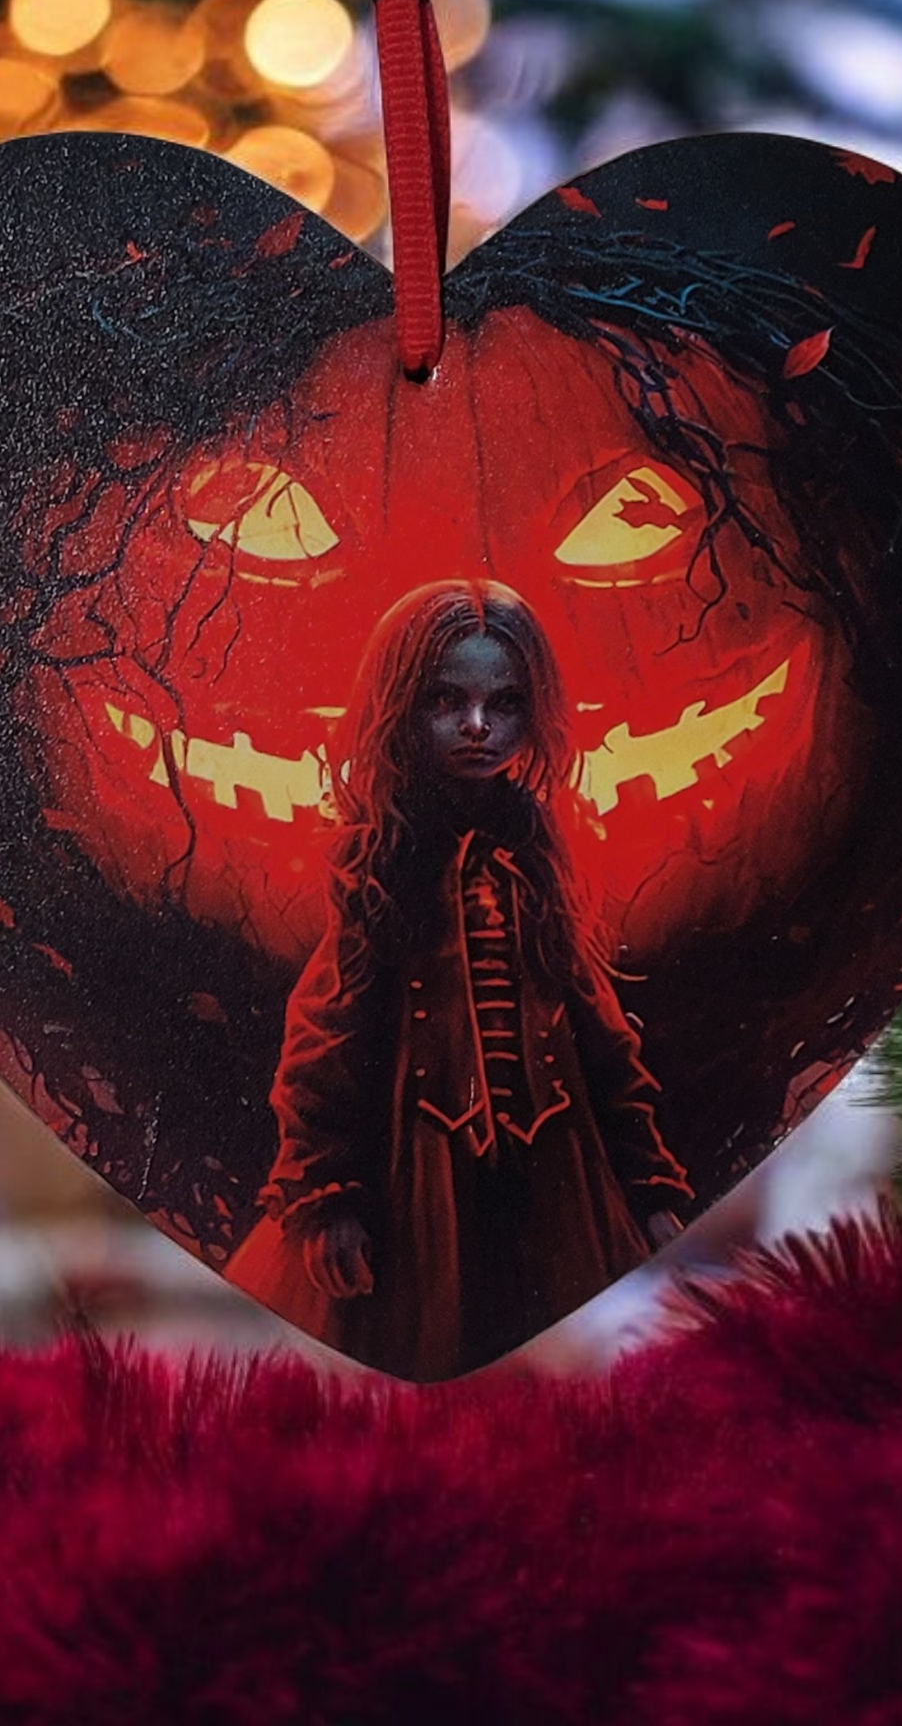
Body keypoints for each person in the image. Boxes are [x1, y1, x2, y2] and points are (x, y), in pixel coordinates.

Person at [223, 578, 692, 1381]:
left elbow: (598, 1028)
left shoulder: (540, 851)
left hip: (561, 1187)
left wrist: (647, 1188)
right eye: (447, 700)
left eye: (503, 704)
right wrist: (327, 1193)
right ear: (403, 705)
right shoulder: (382, 858)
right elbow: (326, 1036)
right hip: (416, 1187)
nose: (477, 727)